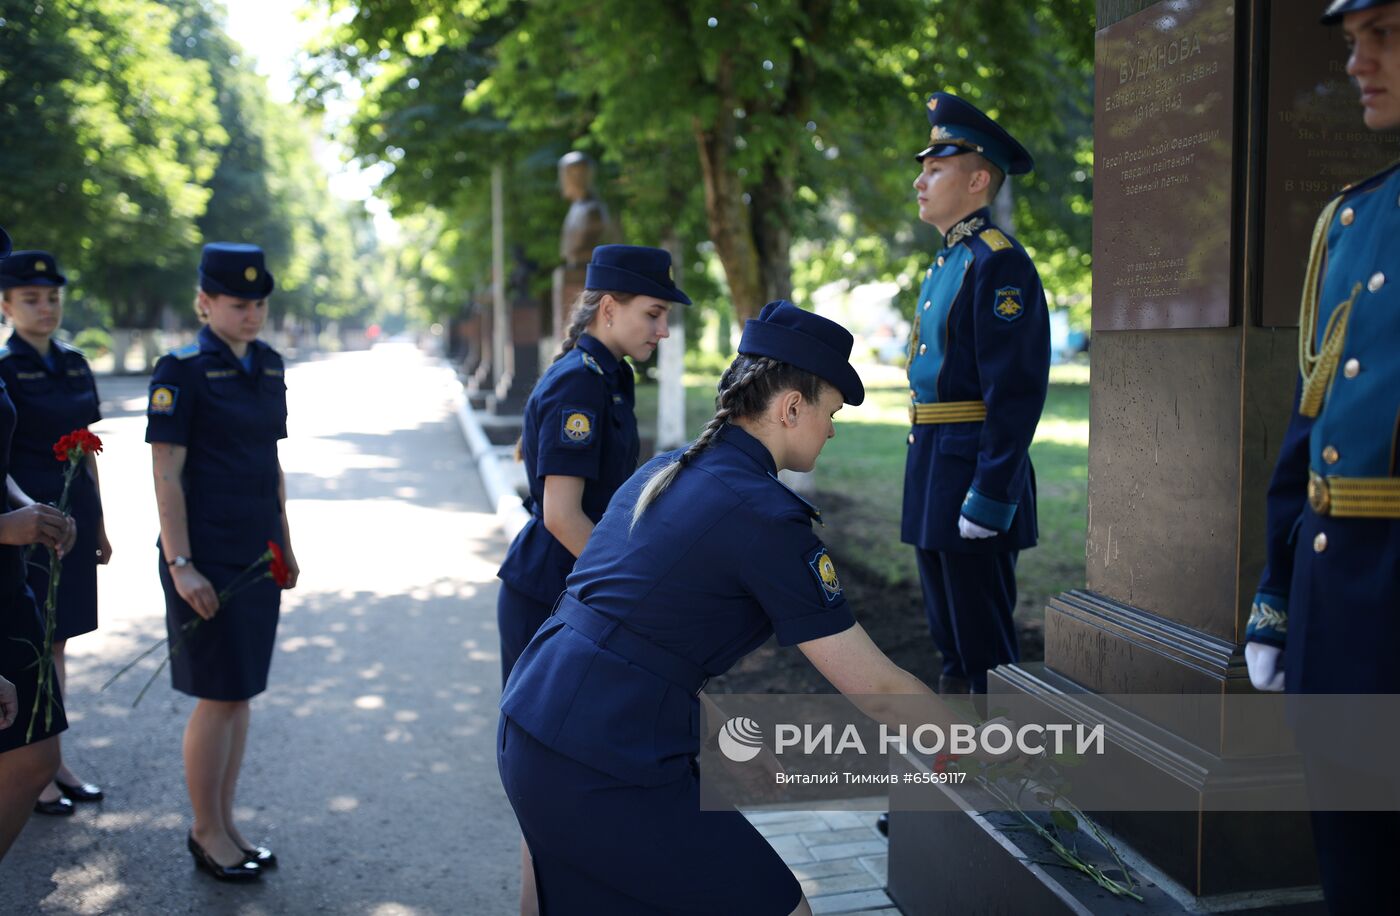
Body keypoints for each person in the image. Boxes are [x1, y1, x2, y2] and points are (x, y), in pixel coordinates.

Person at [498, 300, 982, 914]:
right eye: (829, 413)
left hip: (536, 722)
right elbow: (879, 687)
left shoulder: (668, 470)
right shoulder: (764, 516)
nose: (831, 430)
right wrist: (979, 747)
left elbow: (638, 625)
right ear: (790, 408)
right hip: (599, 758)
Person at [1245, 1, 1400, 910]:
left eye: (1383, 34)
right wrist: (1276, 589)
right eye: (1351, 42)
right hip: (1341, 608)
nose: (1356, 62)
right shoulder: (1351, 223)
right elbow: (1311, 429)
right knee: (1356, 877)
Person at [496, 244, 688, 915]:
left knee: (560, 783)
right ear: (609, 308)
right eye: (653, 314)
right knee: (547, 781)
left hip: (575, 591)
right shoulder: (581, 381)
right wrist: (629, 595)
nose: (661, 331)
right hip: (553, 593)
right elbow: (561, 516)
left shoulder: (607, 374)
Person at [146, 242, 299, 882]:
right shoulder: (178, 371)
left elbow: (271, 465)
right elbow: (167, 474)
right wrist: (182, 563)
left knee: (239, 696)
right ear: (205, 302)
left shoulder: (267, 365)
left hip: (256, 555)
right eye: (239, 304)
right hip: (204, 557)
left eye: (260, 303)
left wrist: (286, 541)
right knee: (217, 696)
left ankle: (224, 822)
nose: (253, 314)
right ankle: (206, 830)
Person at [901, 92, 1050, 697]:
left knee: (983, 643)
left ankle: (1001, 777)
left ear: (978, 178)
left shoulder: (998, 263)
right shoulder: (948, 262)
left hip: (972, 477)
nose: (920, 180)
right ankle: (959, 764)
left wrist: (991, 493)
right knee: (950, 638)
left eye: (936, 167)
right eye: (924, 166)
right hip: (936, 465)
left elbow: (1014, 392)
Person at [0, 249, 109, 817]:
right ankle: (34, 771)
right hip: (28, 521)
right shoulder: (4, 366)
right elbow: (3, 459)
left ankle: (53, 760)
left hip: (71, 520)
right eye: (30, 299)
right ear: (7, 304)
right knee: (33, 641)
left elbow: (88, 448)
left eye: (52, 297)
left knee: (58, 637)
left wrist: (101, 525)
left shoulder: (72, 362)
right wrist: (30, 513)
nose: (45, 308)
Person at [0, 224, 79, 861]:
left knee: (34, 754)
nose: (42, 305)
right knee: (28, 754)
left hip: (15, 568)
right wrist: (10, 527)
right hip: (9, 550)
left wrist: (31, 509)